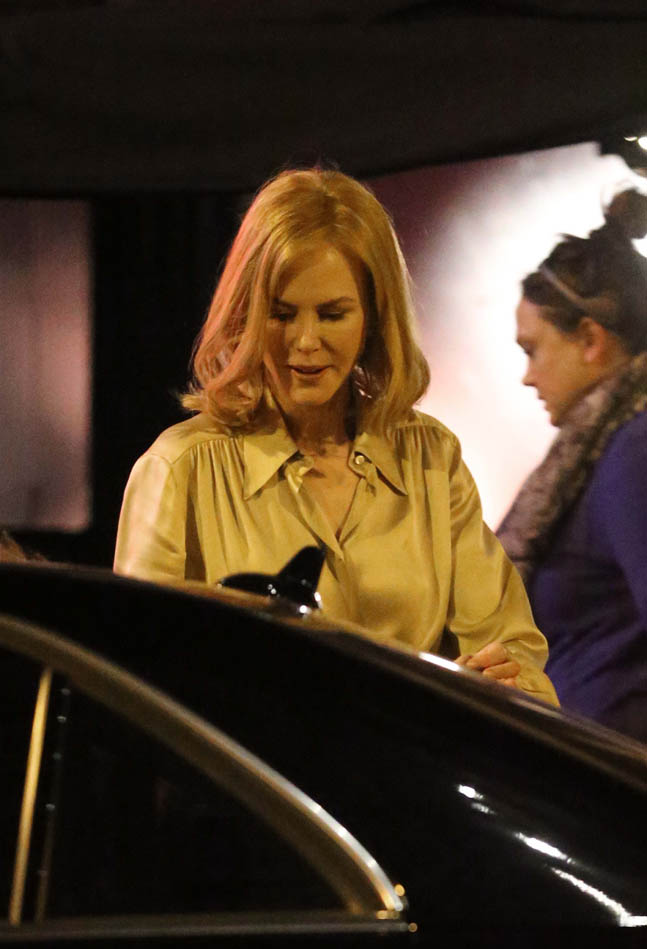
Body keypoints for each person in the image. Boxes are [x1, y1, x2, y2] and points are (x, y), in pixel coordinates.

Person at [114, 167, 556, 704]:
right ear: (245, 315)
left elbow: (513, 653)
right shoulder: (180, 469)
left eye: (331, 314)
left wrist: (501, 679)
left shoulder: (431, 458)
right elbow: (135, 683)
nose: (304, 341)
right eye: (281, 314)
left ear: (374, 318)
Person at [498, 187, 647, 740]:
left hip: (613, 772)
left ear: (589, 339)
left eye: (532, 349)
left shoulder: (634, 450)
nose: (527, 376)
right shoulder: (603, 449)